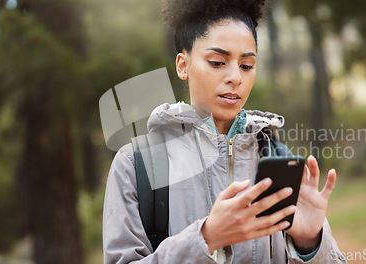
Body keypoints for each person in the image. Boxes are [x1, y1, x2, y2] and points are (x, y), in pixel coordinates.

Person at [103, 0, 346, 263]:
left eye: (246, 65)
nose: (235, 77)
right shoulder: (136, 164)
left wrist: (310, 243)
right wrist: (206, 239)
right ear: (183, 65)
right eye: (218, 62)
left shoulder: (275, 156)